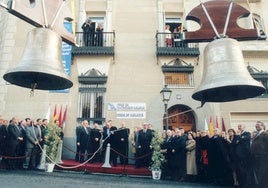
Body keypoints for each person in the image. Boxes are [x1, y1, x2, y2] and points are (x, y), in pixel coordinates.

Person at [251, 121, 268, 188]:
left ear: (263, 126)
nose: (257, 126)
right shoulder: (256, 135)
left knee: (263, 173)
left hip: (263, 157)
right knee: (258, 173)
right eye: (256, 125)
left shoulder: (265, 134)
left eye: (258, 125)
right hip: (256, 157)